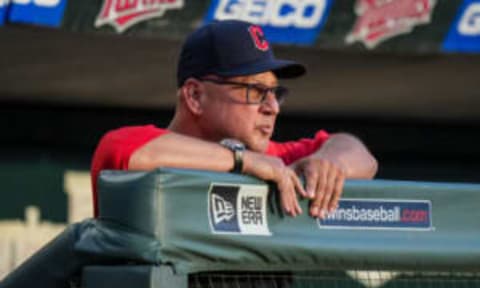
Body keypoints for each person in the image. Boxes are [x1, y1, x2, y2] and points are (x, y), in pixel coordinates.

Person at [91, 20, 378, 219]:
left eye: (275, 93)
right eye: (255, 91)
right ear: (194, 96)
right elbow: (122, 150)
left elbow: (359, 154)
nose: (273, 107)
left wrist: (329, 164)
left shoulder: (271, 158)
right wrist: (243, 161)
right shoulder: (256, 159)